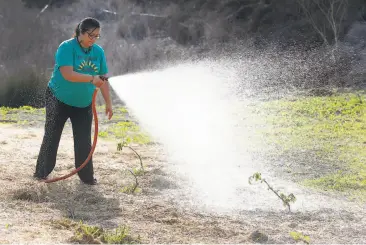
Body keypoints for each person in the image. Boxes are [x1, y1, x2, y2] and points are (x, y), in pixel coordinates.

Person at [33, 17, 113, 185]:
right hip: (58, 98)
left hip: (83, 104)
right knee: (52, 135)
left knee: (84, 140)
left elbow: (103, 79)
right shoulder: (66, 47)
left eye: (97, 36)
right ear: (81, 33)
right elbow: (68, 74)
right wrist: (92, 79)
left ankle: (87, 177)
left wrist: (108, 103)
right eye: (91, 35)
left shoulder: (98, 52)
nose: (94, 39)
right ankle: (41, 173)